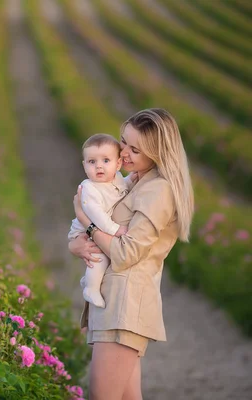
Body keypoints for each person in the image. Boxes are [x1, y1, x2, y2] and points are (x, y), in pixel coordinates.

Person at [68, 109, 194, 400]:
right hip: (115, 302)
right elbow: (101, 238)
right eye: (123, 142)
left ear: (157, 153)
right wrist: (76, 243)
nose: (123, 152)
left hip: (125, 306)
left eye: (135, 149)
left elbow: (126, 253)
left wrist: (86, 222)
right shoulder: (134, 181)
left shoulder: (158, 190)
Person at [67, 133, 136, 308]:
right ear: (84, 166)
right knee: (99, 257)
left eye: (106, 161)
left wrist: (130, 179)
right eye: (92, 162)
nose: (99, 166)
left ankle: (87, 280)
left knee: (101, 254)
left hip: (98, 226)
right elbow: (96, 215)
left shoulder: (117, 178)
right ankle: (91, 288)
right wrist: (115, 230)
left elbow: (122, 187)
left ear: (118, 164)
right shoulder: (89, 188)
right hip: (84, 230)